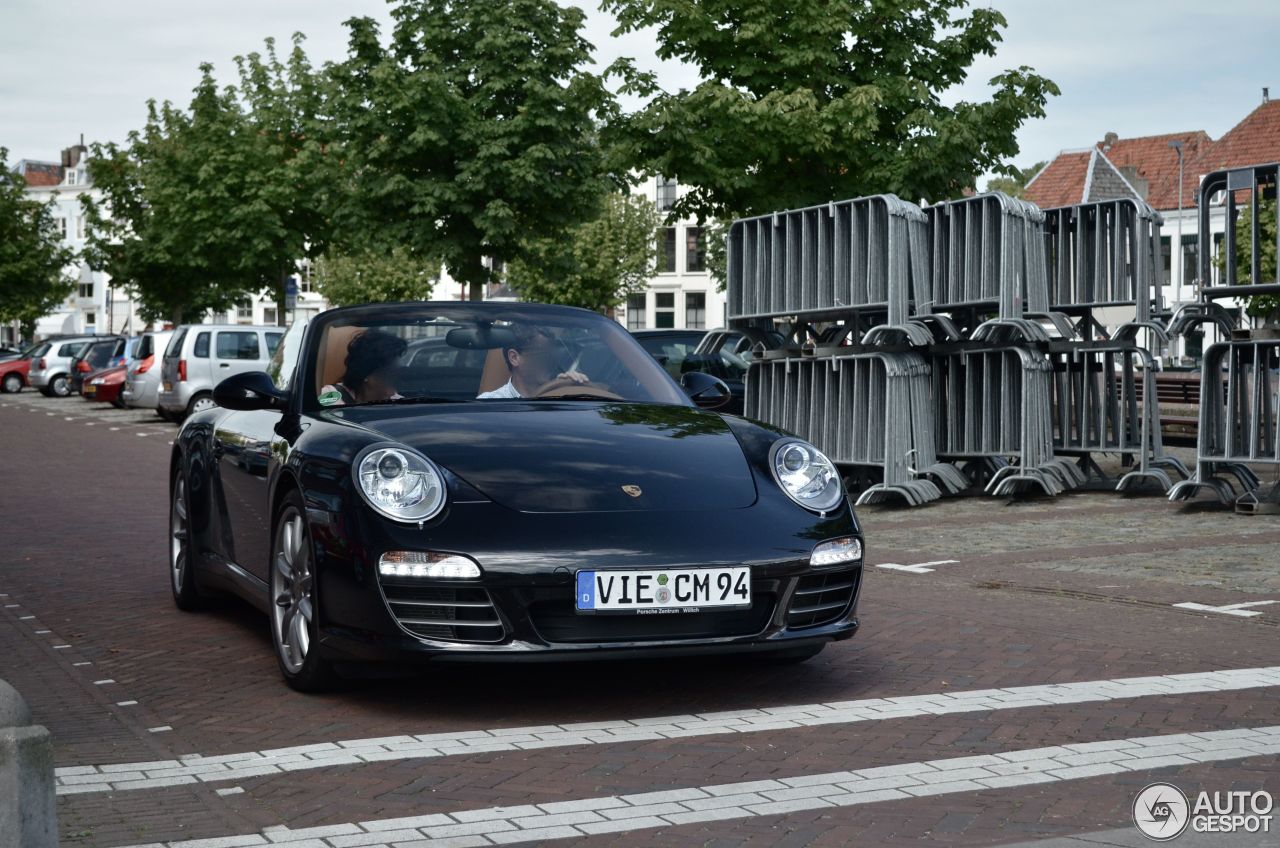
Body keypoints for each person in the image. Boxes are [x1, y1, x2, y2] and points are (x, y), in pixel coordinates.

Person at [477, 324, 588, 399]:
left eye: (552, 356)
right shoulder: (488, 404)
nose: (551, 362)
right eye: (542, 356)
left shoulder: (563, 397)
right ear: (514, 358)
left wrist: (576, 388)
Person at [319, 329, 407, 406]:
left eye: (397, 368)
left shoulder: (398, 402)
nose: (397, 374)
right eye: (390, 370)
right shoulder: (332, 396)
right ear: (367, 374)